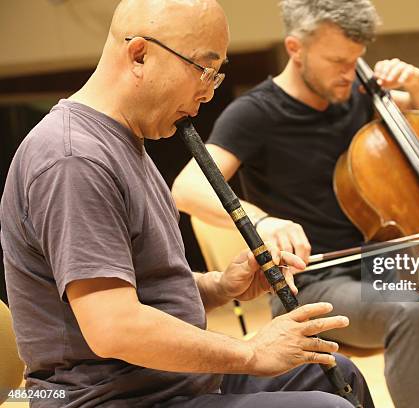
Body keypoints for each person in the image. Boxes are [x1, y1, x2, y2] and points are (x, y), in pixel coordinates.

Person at [0, 1, 375, 407]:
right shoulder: (74, 158)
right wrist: (253, 354)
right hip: (116, 399)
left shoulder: (126, 144)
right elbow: (115, 327)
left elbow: (141, 291)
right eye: (204, 70)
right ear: (140, 54)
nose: (208, 92)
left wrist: (219, 286)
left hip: (175, 385)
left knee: (333, 373)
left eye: (217, 75)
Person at [171, 1, 419, 407]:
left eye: (356, 59)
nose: (349, 72)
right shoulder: (256, 113)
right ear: (295, 48)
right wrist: (262, 222)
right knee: (407, 309)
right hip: (314, 280)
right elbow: (187, 187)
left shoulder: (356, 93)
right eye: (337, 60)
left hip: (377, 263)